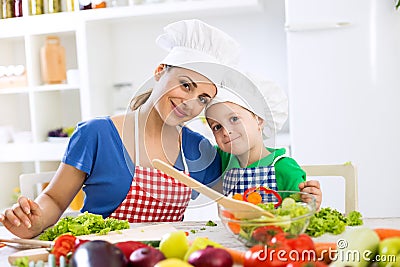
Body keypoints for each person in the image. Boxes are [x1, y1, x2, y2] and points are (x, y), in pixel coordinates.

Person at [0, 19, 241, 238]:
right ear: (159, 72)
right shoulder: (97, 134)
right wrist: (32, 220)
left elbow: (242, 193)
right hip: (100, 256)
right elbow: (54, 199)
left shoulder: (197, 149)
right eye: (186, 85)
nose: (190, 103)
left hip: (164, 260)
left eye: (203, 98)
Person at [204, 71, 322, 209]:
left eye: (234, 119)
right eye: (217, 126)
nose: (225, 131)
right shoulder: (222, 159)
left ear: (259, 120)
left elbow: (300, 213)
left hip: (275, 231)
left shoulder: (284, 168)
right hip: (233, 230)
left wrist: (311, 200)